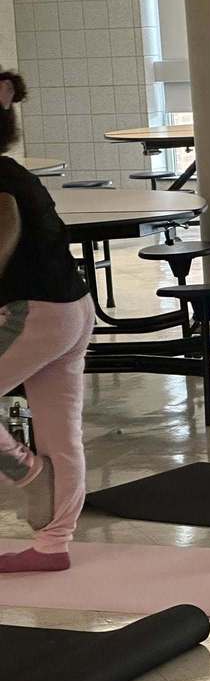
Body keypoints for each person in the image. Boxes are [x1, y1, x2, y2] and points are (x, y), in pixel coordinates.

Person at [0, 69, 94, 574]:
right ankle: (52, 545)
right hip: (73, 309)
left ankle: (26, 472)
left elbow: (5, 233)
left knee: (56, 443)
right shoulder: (14, 171)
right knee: (63, 434)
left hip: (36, 311)